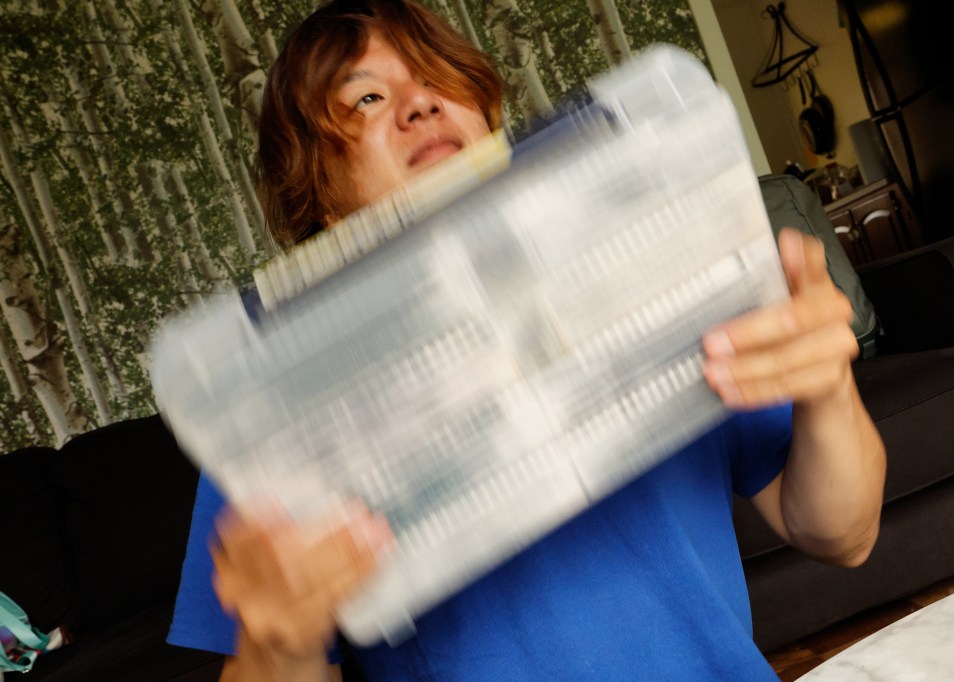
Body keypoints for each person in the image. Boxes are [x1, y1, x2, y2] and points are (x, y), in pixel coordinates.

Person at [167, 1, 887, 680]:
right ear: (322, 197)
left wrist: (829, 390)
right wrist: (277, 643)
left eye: (438, 76)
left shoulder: (658, 286)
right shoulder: (273, 421)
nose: (421, 103)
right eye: (367, 99)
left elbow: (844, 536)